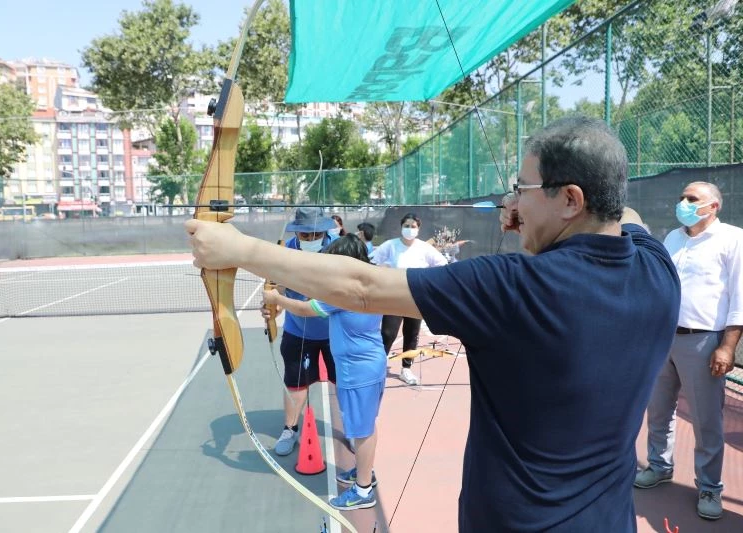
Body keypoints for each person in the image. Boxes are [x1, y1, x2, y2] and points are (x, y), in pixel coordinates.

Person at [185, 116, 680, 531]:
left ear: (571, 199)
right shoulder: (658, 268)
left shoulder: (518, 285)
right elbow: (626, 213)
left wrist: (240, 250)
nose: (514, 200)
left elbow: (363, 288)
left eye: (521, 188)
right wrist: (531, 211)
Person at [635, 181, 743, 521]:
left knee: (706, 419)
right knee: (658, 410)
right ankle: (659, 465)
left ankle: (709, 487)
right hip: (664, 337)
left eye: (692, 198)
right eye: (681, 196)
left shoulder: (733, 240)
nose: (683, 202)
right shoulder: (673, 238)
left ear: (713, 207)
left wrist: (727, 346)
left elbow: (740, 298)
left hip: (704, 341)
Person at [263, 234, 385, 511]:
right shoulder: (373, 280)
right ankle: (363, 473)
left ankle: (362, 490)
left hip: (357, 369)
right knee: (366, 426)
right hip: (371, 362)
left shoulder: (344, 292)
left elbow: (307, 308)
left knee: (363, 430)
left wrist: (276, 298)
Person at [265, 206, 339, 456]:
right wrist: (271, 310)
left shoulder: (340, 248)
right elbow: (277, 289)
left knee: (344, 384)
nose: (310, 239)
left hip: (336, 332)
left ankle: (352, 429)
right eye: (305, 235)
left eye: (316, 234)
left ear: (325, 231)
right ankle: (290, 427)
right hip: (298, 331)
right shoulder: (285, 250)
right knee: (295, 383)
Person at [371, 213, 447, 385]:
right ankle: (378, 367)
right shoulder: (390, 245)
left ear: (418, 229)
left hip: (417, 297)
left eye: (413, 226)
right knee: (388, 333)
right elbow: (373, 262)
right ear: (401, 227)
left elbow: (442, 264)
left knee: (411, 333)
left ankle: (406, 369)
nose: (409, 229)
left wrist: (428, 283)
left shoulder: (424, 248)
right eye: (406, 225)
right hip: (395, 296)